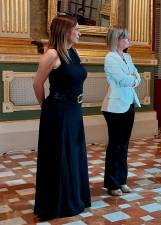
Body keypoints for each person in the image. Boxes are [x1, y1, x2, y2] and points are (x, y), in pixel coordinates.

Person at [33, 15, 91, 220]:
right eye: (76, 29)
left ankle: (74, 197)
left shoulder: (72, 52)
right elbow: (37, 84)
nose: (79, 32)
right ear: (65, 31)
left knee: (73, 155)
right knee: (60, 157)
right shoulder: (51, 54)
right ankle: (58, 204)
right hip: (58, 113)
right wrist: (47, 108)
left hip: (74, 111)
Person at [101, 27, 141, 196]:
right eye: (125, 38)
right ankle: (112, 183)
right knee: (115, 146)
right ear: (116, 40)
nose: (128, 40)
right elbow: (122, 79)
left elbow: (137, 78)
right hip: (115, 107)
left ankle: (122, 180)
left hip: (129, 103)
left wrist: (132, 78)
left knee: (124, 146)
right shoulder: (110, 58)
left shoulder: (127, 57)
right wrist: (132, 78)